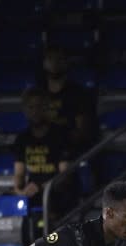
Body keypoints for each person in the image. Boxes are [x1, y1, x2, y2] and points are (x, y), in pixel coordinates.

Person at [12, 86, 78, 227]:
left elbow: (65, 175)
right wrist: (20, 190)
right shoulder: (22, 139)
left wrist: (42, 187)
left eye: (39, 106)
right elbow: (19, 173)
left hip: (56, 192)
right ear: (25, 110)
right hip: (33, 192)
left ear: (46, 108)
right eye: (31, 107)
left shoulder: (60, 135)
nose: (35, 111)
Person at [39, 45, 98, 155]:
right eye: (50, 58)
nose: (54, 63)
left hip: (69, 150)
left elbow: (81, 131)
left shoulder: (79, 93)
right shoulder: (38, 93)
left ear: (66, 63)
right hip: (43, 150)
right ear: (44, 63)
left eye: (59, 59)